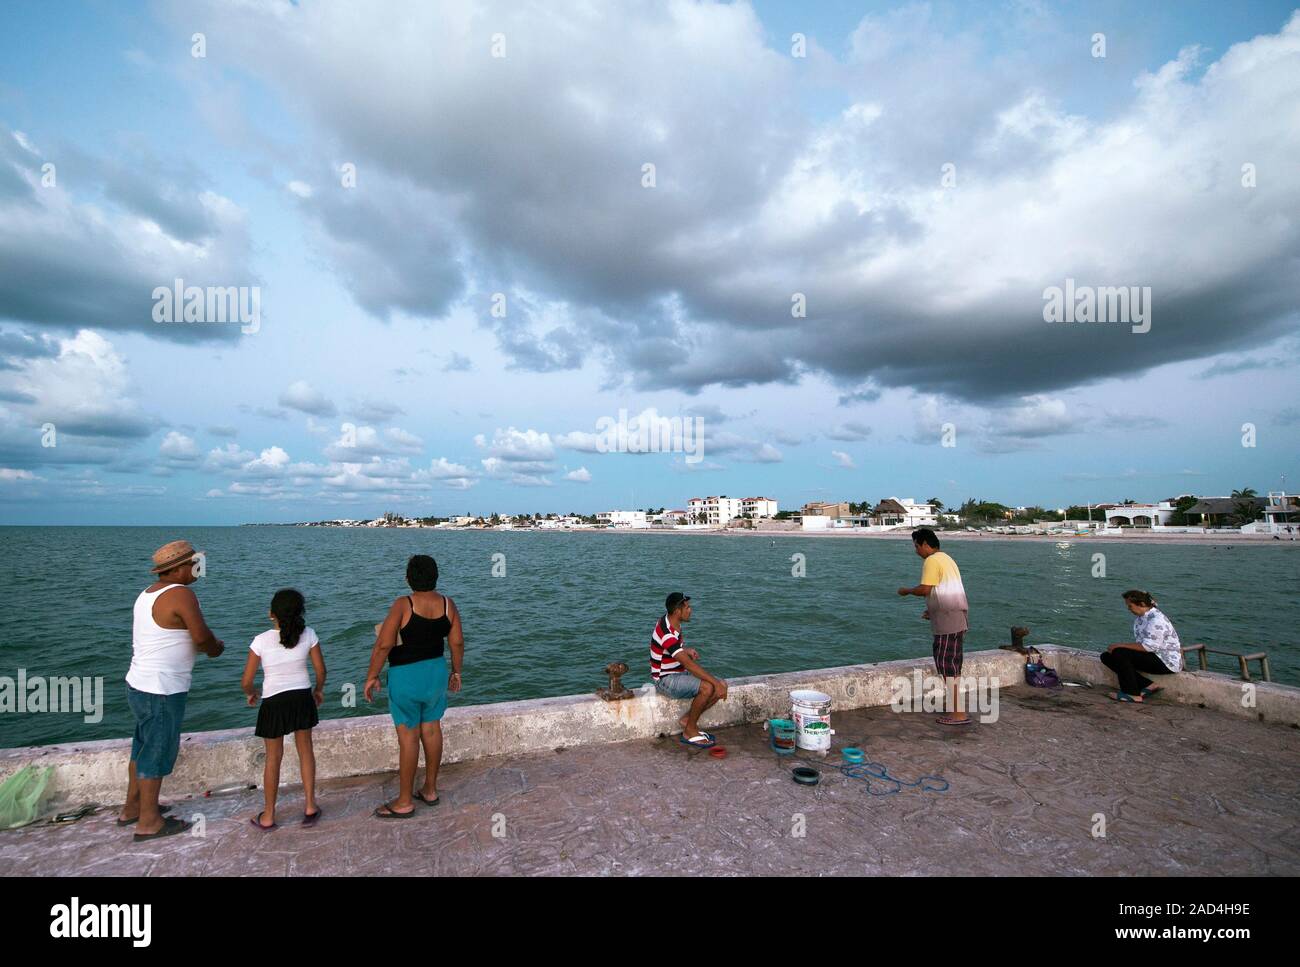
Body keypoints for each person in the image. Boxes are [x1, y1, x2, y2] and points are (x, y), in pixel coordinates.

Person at [120, 540, 224, 841]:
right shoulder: (182, 595)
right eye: (194, 564)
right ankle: (149, 822)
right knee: (158, 750)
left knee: (141, 747)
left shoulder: (147, 594)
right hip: (162, 688)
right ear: (177, 569)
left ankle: (132, 808)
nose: (198, 569)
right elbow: (202, 638)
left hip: (139, 683)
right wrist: (217, 648)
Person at [364, 555, 463, 818]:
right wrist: (456, 671)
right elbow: (457, 643)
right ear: (436, 576)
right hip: (435, 674)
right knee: (431, 729)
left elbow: (384, 644)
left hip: (405, 677)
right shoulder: (447, 604)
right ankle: (430, 789)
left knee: (408, 737)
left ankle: (404, 801)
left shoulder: (403, 604)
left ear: (408, 578)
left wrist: (372, 675)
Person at [241, 589, 326, 830]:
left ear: (272, 614)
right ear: (300, 613)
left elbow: (246, 680)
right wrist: (318, 690)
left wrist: (251, 692)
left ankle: (268, 815)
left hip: (273, 702)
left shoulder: (260, 641)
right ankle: (310, 806)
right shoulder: (309, 634)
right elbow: (321, 671)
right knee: (305, 751)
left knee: (273, 758)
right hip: (301, 698)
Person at [897, 528, 971, 726]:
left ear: (925, 544)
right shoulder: (947, 559)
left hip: (948, 622)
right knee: (952, 666)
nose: (916, 551)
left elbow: (925, 589)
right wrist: (932, 610)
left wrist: (907, 591)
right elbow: (946, 590)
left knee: (948, 667)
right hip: (955, 617)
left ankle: (958, 714)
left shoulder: (931, 561)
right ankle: (957, 710)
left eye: (916, 546)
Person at [651, 592, 728, 747]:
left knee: (722, 685)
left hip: (676, 672)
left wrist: (683, 650)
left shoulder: (670, 621)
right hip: (665, 680)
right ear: (677, 611)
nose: (690, 610)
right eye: (687, 607)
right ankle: (690, 731)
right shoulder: (667, 633)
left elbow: (670, 649)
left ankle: (687, 720)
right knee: (709, 687)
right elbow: (689, 665)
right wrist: (715, 683)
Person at [1102, 590, 1181, 703]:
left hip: (1166, 662)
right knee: (1106, 656)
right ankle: (1148, 685)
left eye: (1130, 606)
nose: (1128, 609)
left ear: (1142, 604)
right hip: (1153, 655)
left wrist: (1120, 646)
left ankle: (1132, 693)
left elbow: (1149, 647)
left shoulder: (1156, 620)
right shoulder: (1142, 618)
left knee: (1120, 652)